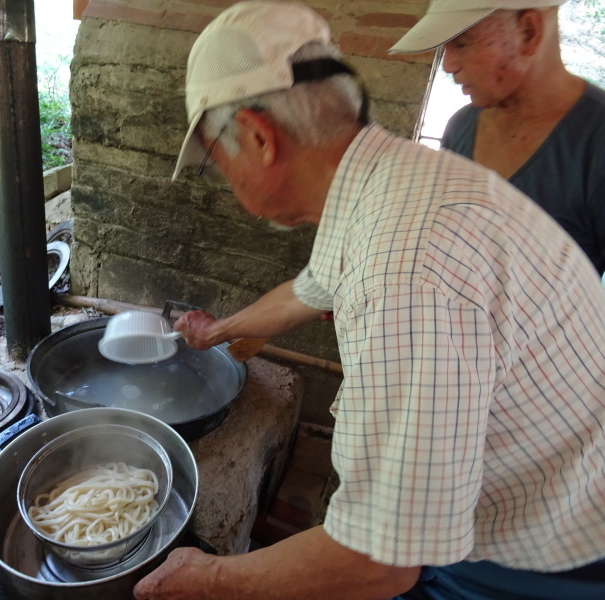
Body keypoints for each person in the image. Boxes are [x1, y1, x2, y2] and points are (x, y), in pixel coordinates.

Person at [133, 2, 605, 599]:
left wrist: (209, 579)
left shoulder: (406, 271)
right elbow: (311, 288)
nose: (225, 180)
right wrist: (223, 330)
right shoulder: (391, 179)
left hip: (538, 557)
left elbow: (379, 563)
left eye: (217, 160)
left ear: (258, 135)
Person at [389, 0, 605, 276]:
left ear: (529, 32)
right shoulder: (462, 125)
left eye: (462, 43)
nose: (448, 65)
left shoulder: (595, 142)